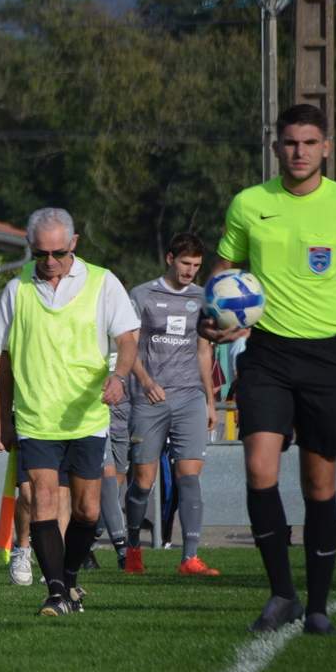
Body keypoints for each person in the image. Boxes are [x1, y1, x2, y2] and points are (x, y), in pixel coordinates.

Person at [200, 104, 336, 635]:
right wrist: (213, 318)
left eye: (309, 142)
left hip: (330, 354)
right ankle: (282, 593)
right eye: (289, 143)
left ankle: (319, 605)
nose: (299, 151)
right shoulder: (249, 204)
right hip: (269, 354)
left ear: (325, 146)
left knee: (319, 483)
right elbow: (223, 274)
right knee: (260, 468)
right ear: (276, 147)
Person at [0, 207, 139, 616]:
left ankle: (70, 580)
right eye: (41, 254)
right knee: (43, 502)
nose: (50, 262)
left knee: (88, 510)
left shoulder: (103, 283)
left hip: (87, 416)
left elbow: (127, 339)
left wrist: (120, 377)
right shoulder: (15, 291)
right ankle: (55, 593)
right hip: (37, 416)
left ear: (73, 244)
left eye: (58, 252)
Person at [122, 233, 219, 577]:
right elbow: (128, 347)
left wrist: (210, 401)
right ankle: (133, 547)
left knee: (189, 476)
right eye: (185, 263)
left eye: (196, 266)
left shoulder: (202, 297)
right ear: (169, 259)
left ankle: (189, 558)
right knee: (144, 481)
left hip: (189, 397)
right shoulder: (142, 295)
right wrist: (147, 382)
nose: (190, 271)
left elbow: (204, 351)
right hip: (149, 399)